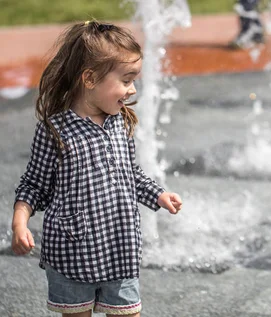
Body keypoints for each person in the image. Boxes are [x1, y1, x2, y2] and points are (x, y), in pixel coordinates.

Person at [10, 20, 183, 317]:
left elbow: (131, 174)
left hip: (119, 249)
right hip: (72, 253)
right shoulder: (57, 131)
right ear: (89, 79)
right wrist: (19, 222)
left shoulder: (120, 123)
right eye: (126, 80)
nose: (132, 90)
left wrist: (158, 195)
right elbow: (34, 184)